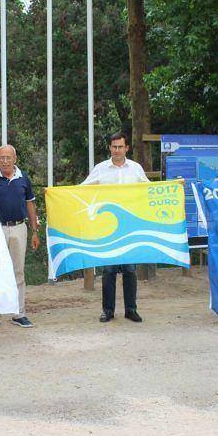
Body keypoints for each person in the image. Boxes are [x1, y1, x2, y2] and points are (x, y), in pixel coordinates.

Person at [82, 131, 150, 323]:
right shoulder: (101, 169)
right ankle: (108, 311)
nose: (117, 150)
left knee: (129, 270)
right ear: (110, 148)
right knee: (109, 270)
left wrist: (174, 186)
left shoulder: (136, 169)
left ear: (127, 148)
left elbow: (149, 190)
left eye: (121, 146)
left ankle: (131, 309)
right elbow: (83, 188)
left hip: (130, 226)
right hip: (107, 227)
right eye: (114, 147)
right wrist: (57, 193)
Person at [0, 144, 40, 330]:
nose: (5, 161)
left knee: (18, 271)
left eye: (9, 157)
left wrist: (34, 231)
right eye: (2, 157)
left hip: (19, 228)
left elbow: (30, 205)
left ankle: (18, 312)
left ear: (15, 159)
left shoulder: (23, 179)